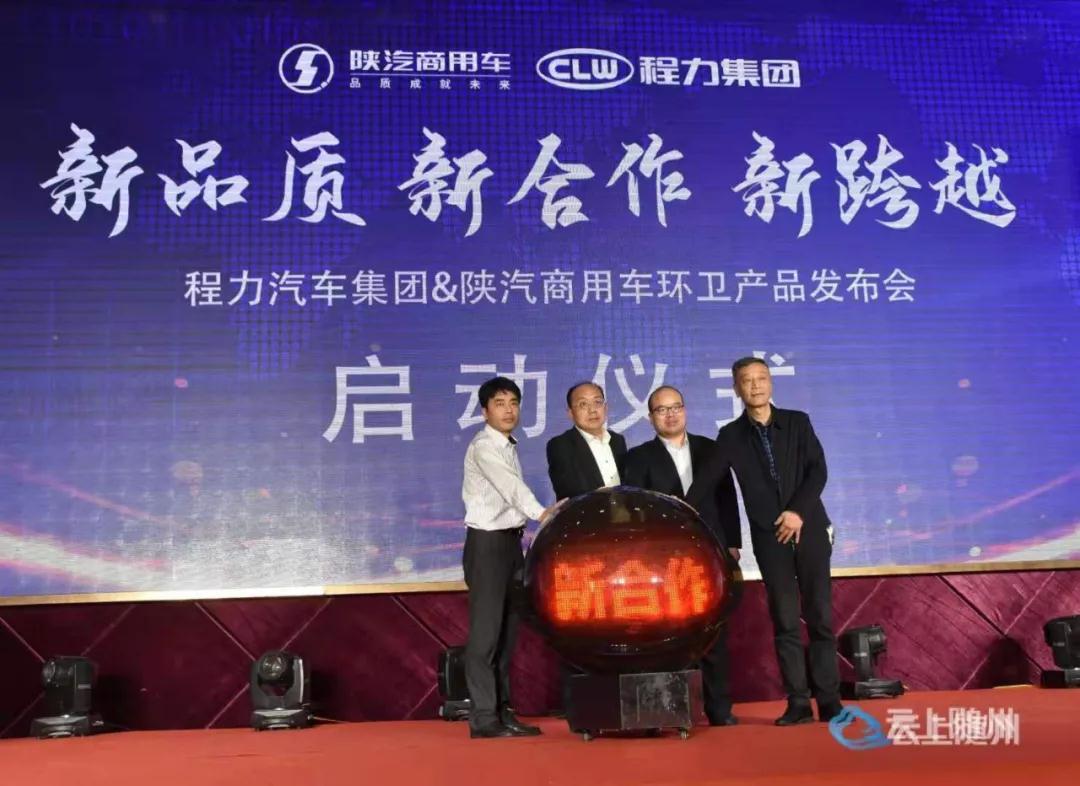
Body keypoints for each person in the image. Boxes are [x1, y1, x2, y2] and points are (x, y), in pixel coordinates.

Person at [688, 357, 843, 725]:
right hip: (768, 536)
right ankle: (799, 703)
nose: (755, 386)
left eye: (761, 378)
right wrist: (677, 510)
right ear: (736, 388)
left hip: (808, 526)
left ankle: (830, 701)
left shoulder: (798, 422)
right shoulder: (730, 435)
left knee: (820, 617)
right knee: (785, 620)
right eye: (747, 380)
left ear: (771, 382)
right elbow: (706, 481)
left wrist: (797, 511)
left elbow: (818, 471)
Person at [623, 385, 741, 726]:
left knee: (714, 631)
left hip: (712, 552)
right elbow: (636, 508)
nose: (670, 414)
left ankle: (720, 709)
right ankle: (676, 710)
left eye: (676, 407)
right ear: (650, 418)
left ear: (685, 410)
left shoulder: (710, 449)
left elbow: (727, 499)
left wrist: (733, 543)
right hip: (665, 558)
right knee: (670, 635)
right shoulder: (638, 457)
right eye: (662, 410)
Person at [461, 376, 552, 738]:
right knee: (486, 636)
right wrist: (542, 513)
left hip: (512, 545)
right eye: (499, 403)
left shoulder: (507, 445)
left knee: (507, 634)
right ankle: (484, 718)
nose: (509, 410)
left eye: (513, 402)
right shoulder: (484, 445)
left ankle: (502, 711)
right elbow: (511, 488)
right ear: (485, 411)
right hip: (487, 546)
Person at [546, 381, 627, 500]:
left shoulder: (618, 441)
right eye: (583, 404)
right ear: (570, 413)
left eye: (597, 402)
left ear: (605, 408)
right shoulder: (560, 445)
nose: (592, 410)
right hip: (585, 511)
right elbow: (568, 491)